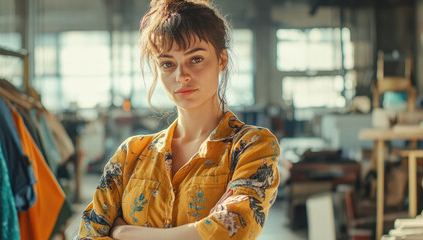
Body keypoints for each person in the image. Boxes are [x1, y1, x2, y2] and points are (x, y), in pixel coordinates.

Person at [77, 0, 280, 239]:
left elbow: (233, 228)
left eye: (195, 59)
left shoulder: (251, 146)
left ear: (222, 59)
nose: (181, 76)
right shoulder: (131, 154)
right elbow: (88, 234)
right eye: (167, 64)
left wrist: (124, 232)